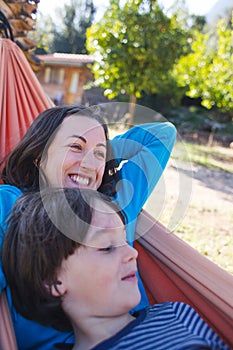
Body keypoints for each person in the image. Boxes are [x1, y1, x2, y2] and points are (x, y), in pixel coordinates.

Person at [0, 104, 176, 349]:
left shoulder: (116, 201)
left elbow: (162, 134)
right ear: (40, 156)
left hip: (142, 337)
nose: (89, 164)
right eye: (75, 147)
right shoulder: (9, 203)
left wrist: (103, 149)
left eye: (99, 155)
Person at [2, 188, 229, 350]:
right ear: (54, 280)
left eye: (124, 241)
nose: (133, 253)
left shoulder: (176, 313)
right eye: (107, 247)